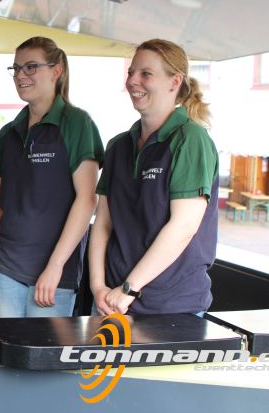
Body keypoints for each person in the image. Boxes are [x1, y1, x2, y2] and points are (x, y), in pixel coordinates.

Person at [0, 37, 102, 318]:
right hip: (6, 268)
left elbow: (87, 200)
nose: (21, 75)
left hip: (54, 273)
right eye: (16, 68)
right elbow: (1, 207)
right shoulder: (9, 132)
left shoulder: (77, 123)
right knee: (8, 348)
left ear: (56, 71)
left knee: (44, 348)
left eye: (31, 67)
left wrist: (55, 266)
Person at [89, 39, 218, 316]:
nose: (132, 81)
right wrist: (98, 286)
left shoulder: (190, 139)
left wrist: (129, 289)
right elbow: (103, 223)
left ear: (175, 82)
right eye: (131, 73)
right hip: (110, 300)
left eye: (146, 74)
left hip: (171, 306)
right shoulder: (119, 146)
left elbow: (183, 226)